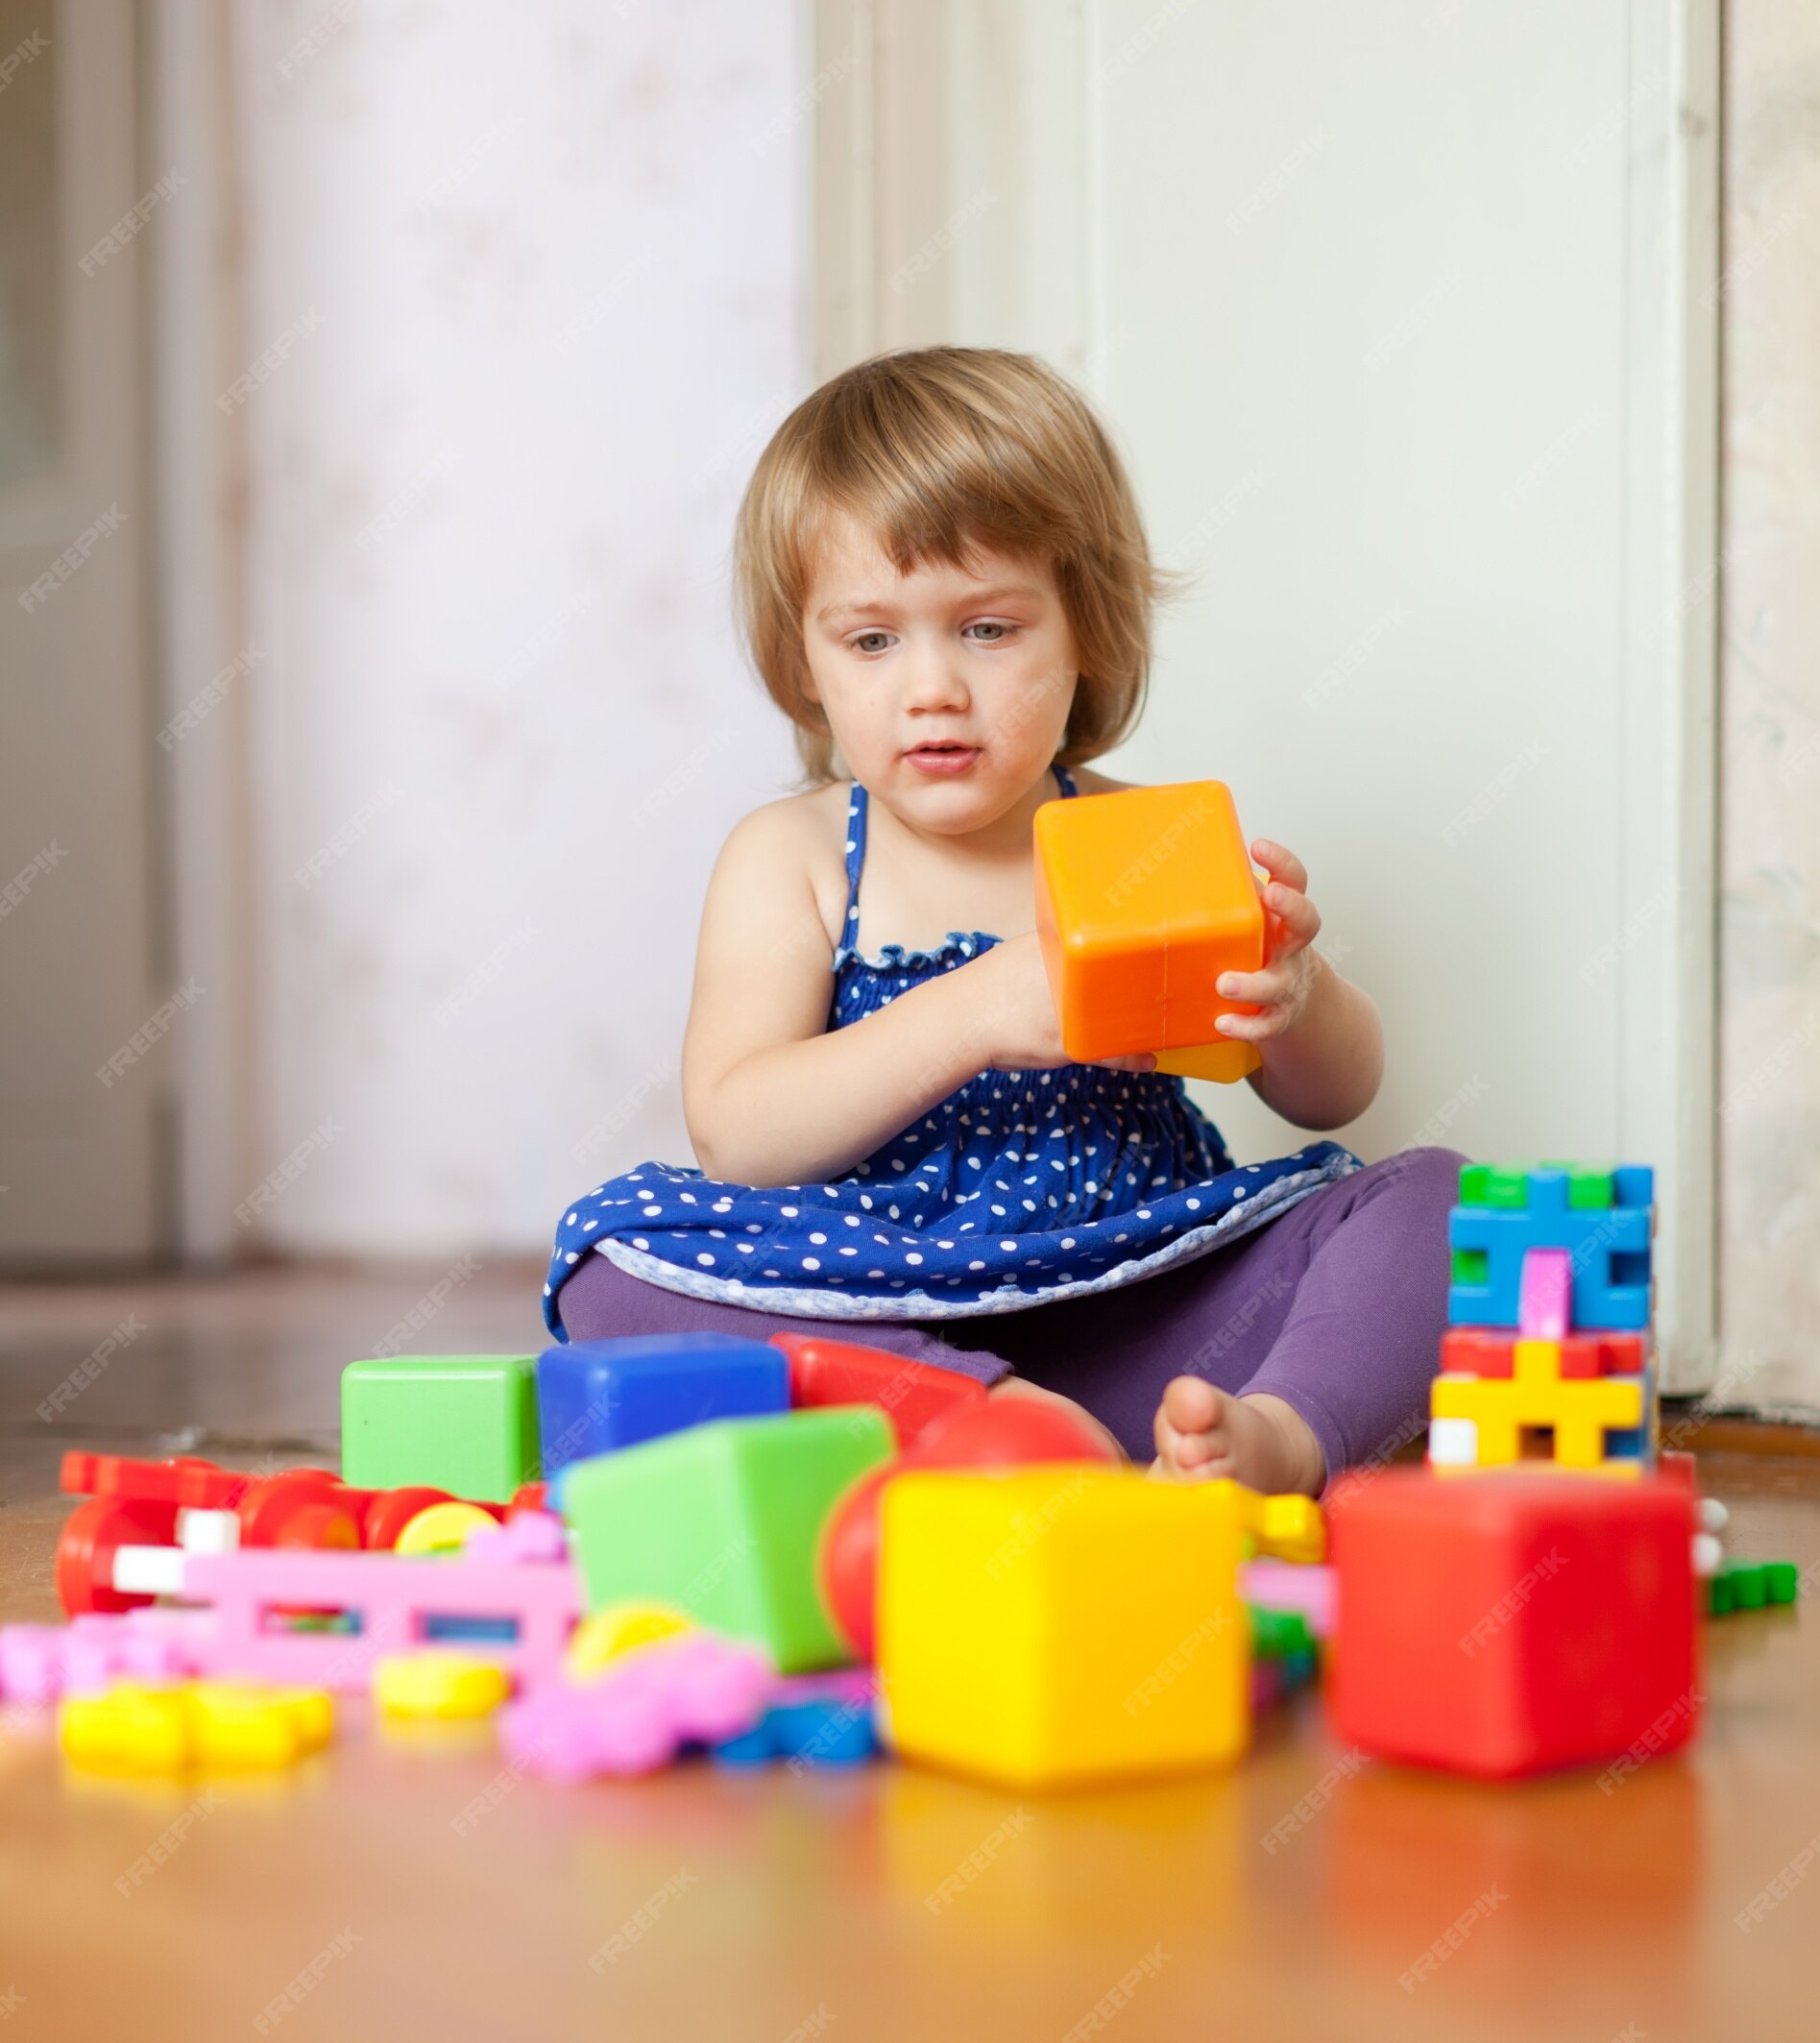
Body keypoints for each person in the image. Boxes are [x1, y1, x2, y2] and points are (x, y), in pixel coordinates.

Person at [543, 347, 1463, 1493]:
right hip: (877, 1301)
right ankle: (981, 1418)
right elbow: (740, 1131)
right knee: (608, 1263)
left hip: (1147, 1307)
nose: (931, 686)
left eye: (985, 628)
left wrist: (1296, 999)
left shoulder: (1146, 838)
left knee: (1439, 1200)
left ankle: (1275, 1434)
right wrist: (974, 1011)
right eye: (872, 640)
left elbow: (1333, 1094)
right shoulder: (792, 856)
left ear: (1087, 632)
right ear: (805, 662)